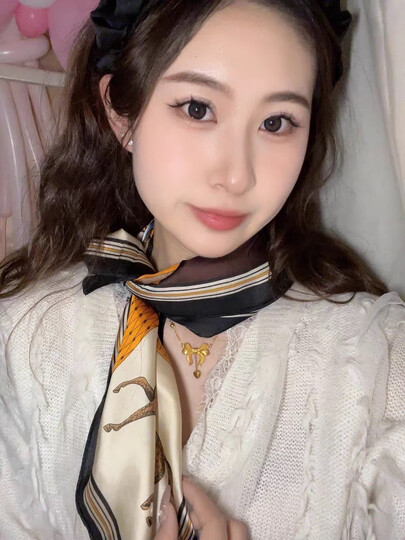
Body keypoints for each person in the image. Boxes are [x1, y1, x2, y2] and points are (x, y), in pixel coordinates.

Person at [0, 0, 404, 538]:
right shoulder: (23, 337)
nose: (236, 176)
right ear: (121, 113)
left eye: (276, 122)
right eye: (197, 109)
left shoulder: (377, 361)